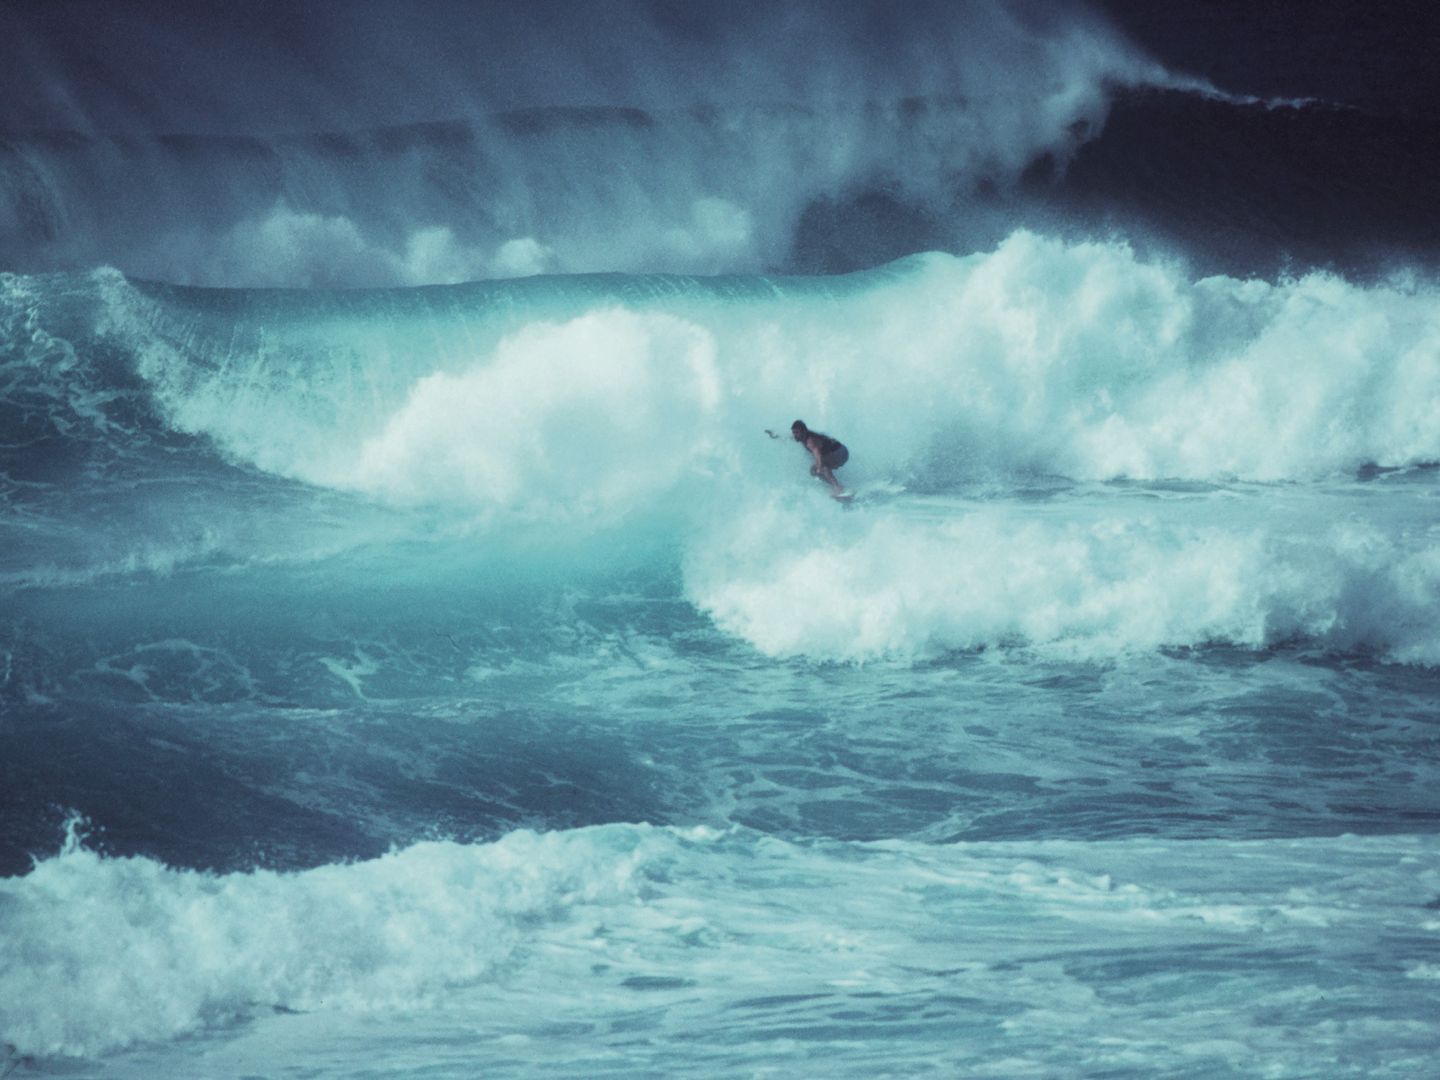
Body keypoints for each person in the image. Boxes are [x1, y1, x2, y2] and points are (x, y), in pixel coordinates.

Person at [790, 419, 848, 495]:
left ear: (804, 431)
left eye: (797, 432)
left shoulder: (810, 441)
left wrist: (820, 466)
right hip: (839, 452)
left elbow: (817, 453)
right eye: (793, 432)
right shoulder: (801, 437)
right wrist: (775, 436)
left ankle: (838, 488)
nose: (795, 435)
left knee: (823, 466)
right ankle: (837, 486)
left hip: (840, 452)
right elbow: (788, 437)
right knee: (813, 471)